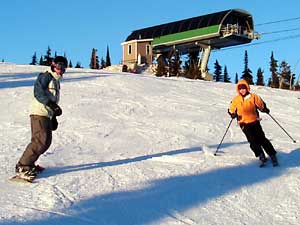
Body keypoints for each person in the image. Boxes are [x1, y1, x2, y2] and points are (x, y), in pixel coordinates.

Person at [15, 56, 68, 181]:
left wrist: (53, 117)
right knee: (40, 141)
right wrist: (51, 106)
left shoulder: (56, 81)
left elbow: (52, 99)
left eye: (64, 68)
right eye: (60, 66)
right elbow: (38, 92)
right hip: (39, 112)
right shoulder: (46, 76)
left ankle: (30, 163)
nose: (61, 70)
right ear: (53, 65)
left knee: (46, 142)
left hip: (46, 114)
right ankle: (23, 166)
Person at [228, 79, 278, 167]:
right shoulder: (236, 99)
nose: (242, 90)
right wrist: (232, 114)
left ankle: (272, 154)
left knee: (261, 138)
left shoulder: (253, 97)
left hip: (254, 121)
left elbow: (261, 104)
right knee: (252, 140)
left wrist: (264, 109)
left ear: (247, 88)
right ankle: (261, 155)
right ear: (238, 90)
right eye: (240, 89)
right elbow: (231, 109)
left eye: (244, 88)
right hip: (243, 123)